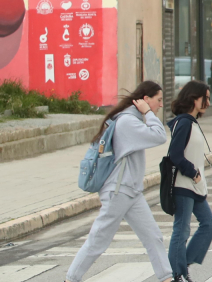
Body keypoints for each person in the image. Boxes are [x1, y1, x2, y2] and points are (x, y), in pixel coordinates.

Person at [66, 81, 172, 282]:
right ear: (145, 99)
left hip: (131, 191)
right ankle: (70, 279)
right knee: (98, 239)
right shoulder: (127, 122)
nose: (160, 105)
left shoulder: (130, 119)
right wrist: (148, 113)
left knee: (153, 236)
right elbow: (159, 136)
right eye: (158, 100)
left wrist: (146, 113)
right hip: (119, 190)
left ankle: (166, 278)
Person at [167, 82, 212, 282]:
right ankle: (178, 274)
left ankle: (182, 263)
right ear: (194, 98)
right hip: (184, 185)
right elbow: (175, 154)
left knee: (208, 224)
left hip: (195, 186)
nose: (208, 102)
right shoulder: (184, 123)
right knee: (182, 229)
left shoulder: (191, 122)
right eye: (206, 98)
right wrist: (193, 172)